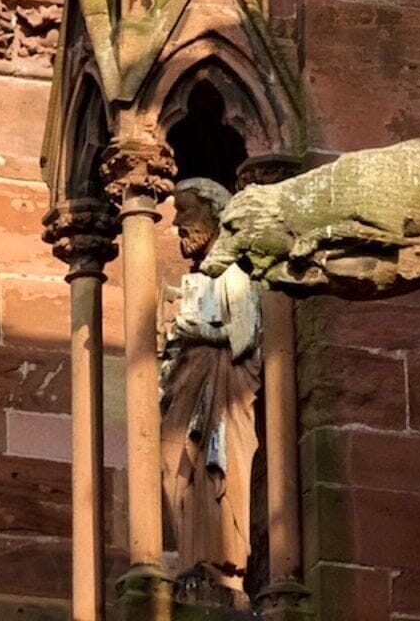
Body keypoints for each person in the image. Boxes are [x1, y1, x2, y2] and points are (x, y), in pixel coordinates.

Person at [160, 180, 261, 593]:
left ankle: (222, 563)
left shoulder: (234, 273)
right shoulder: (202, 276)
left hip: (223, 389)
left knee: (216, 468)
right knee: (174, 468)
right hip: (192, 383)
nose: (178, 223)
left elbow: (245, 336)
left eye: (185, 212)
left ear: (213, 213)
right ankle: (192, 556)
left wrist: (198, 330)